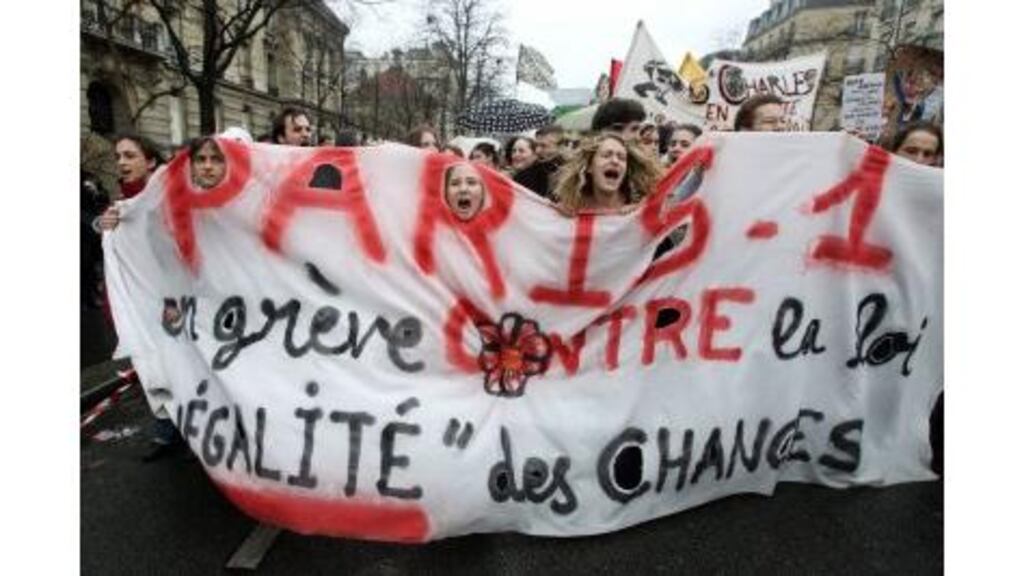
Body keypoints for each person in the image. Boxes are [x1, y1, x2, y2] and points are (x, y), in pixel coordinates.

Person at [552, 132, 660, 215]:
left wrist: (640, 215)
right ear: (589, 167)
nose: (615, 161)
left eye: (622, 158)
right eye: (606, 155)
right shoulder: (572, 207)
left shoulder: (639, 204)